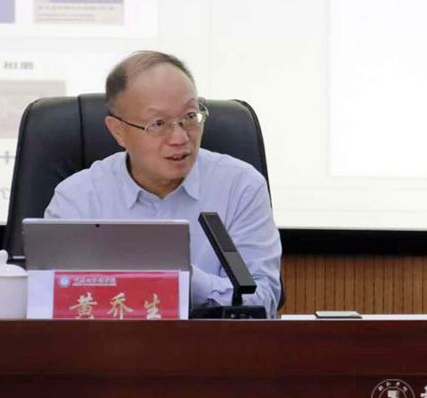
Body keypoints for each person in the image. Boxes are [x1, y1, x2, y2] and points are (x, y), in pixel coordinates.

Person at [44, 51, 282, 316]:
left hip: (213, 342)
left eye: (190, 117)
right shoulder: (77, 199)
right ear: (118, 131)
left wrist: (184, 279)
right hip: (107, 341)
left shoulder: (240, 187)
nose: (180, 138)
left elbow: (264, 300)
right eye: (158, 124)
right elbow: (50, 300)